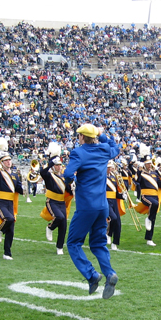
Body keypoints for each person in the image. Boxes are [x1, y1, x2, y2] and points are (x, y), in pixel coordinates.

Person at [63, 123, 120, 299]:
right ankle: (109, 273)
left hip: (86, 206)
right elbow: (115, 148)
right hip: (102, 206)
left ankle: (92, 275)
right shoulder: (103, 149)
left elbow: (67, 173)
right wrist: (102, 135)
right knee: (98, 244)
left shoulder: (79, 152)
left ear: (81, 137)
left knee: (73, 243)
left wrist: (70, 181)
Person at [0, 152, 24, 260]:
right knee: (8, 219)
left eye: (9, 160)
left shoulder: (14, 175)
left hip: (10, 203)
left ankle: (7, 253)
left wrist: (24, 189)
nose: (9, 162)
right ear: (2, 163)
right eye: (6, 160)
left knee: (11, 230)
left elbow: (18, 189)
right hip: (1, 201)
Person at [40, 154, 69, 256]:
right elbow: (42, 172)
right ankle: (50, 227)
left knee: (63, 226)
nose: (59, 167)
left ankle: (59, 247)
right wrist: (50, 163)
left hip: (61, 202)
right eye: (56, 165)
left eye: (60, 165)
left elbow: (67, 190)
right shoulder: (49, 175)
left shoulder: (63, 177)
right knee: (59, 217)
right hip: (52, 200)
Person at [135, 153, 161, 247]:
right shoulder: (141, 173)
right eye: (147, 163)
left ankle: (149, 238)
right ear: (144, 164)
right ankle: (148, 219)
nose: (150, 165)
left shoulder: (154, 173)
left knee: (153, 217)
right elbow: (137, 181)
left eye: (150, 163)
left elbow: (160, 183)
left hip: (154, 196)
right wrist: (139, 171)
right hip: (145, 196)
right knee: (154, 205)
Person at [106, 161, 125, 250]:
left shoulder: (113, 177)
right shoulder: (101, 177)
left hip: (113, 201)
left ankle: (115, 243)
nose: (110, 168)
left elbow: (115, 193)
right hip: (105, 200)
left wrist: (122, 196)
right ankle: (109, 233)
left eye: (111, 167)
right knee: (113, 217)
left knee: (118, 222)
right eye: (108, 167)